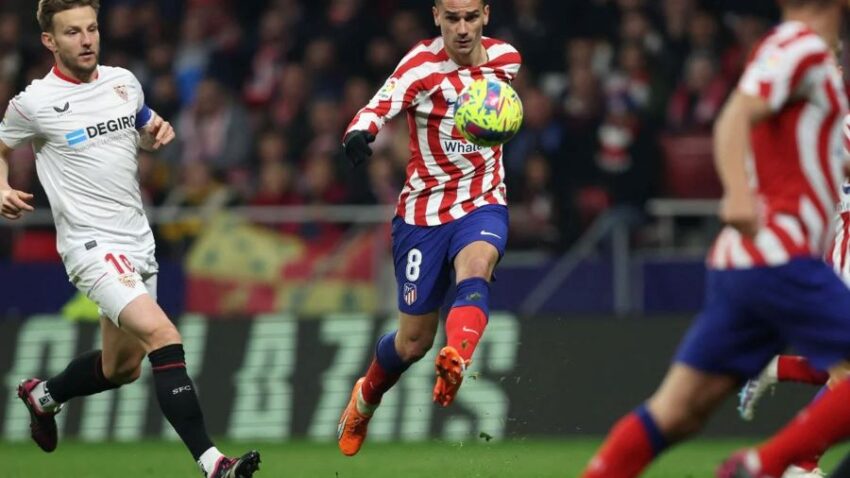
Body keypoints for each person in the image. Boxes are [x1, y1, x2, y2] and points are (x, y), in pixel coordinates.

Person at [580, 1, 850, 477]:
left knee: (677, 412)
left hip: (747, 264)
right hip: (779, 255)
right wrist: (739, 196)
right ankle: (763, 465)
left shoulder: (807, 56)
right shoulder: (800, 46)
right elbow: (734, 117)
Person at [0, 2, 260, 477]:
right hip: (91, 247)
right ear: (50, 41)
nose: (87, 39)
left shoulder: (123, 80)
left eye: (92, 29)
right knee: (164, 335)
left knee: (123, 368)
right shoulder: (34, 103)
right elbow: (1, 144)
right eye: (73, 32)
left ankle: (43, 396)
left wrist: (154, 128)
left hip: (138, 242)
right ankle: (213, 463)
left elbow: (141, 119)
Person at [336, 0, 520, 457]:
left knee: (477, 266)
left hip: (482, 201)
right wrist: (360, 133)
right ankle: (365, 398)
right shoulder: (420, 66)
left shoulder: (507, 61)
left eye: (471, 18)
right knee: (412, 343)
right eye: (452, 18)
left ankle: (457, 355)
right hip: (423, 215)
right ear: (436, 15)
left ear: (486, 16)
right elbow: (379, 105)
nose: (462, 29)